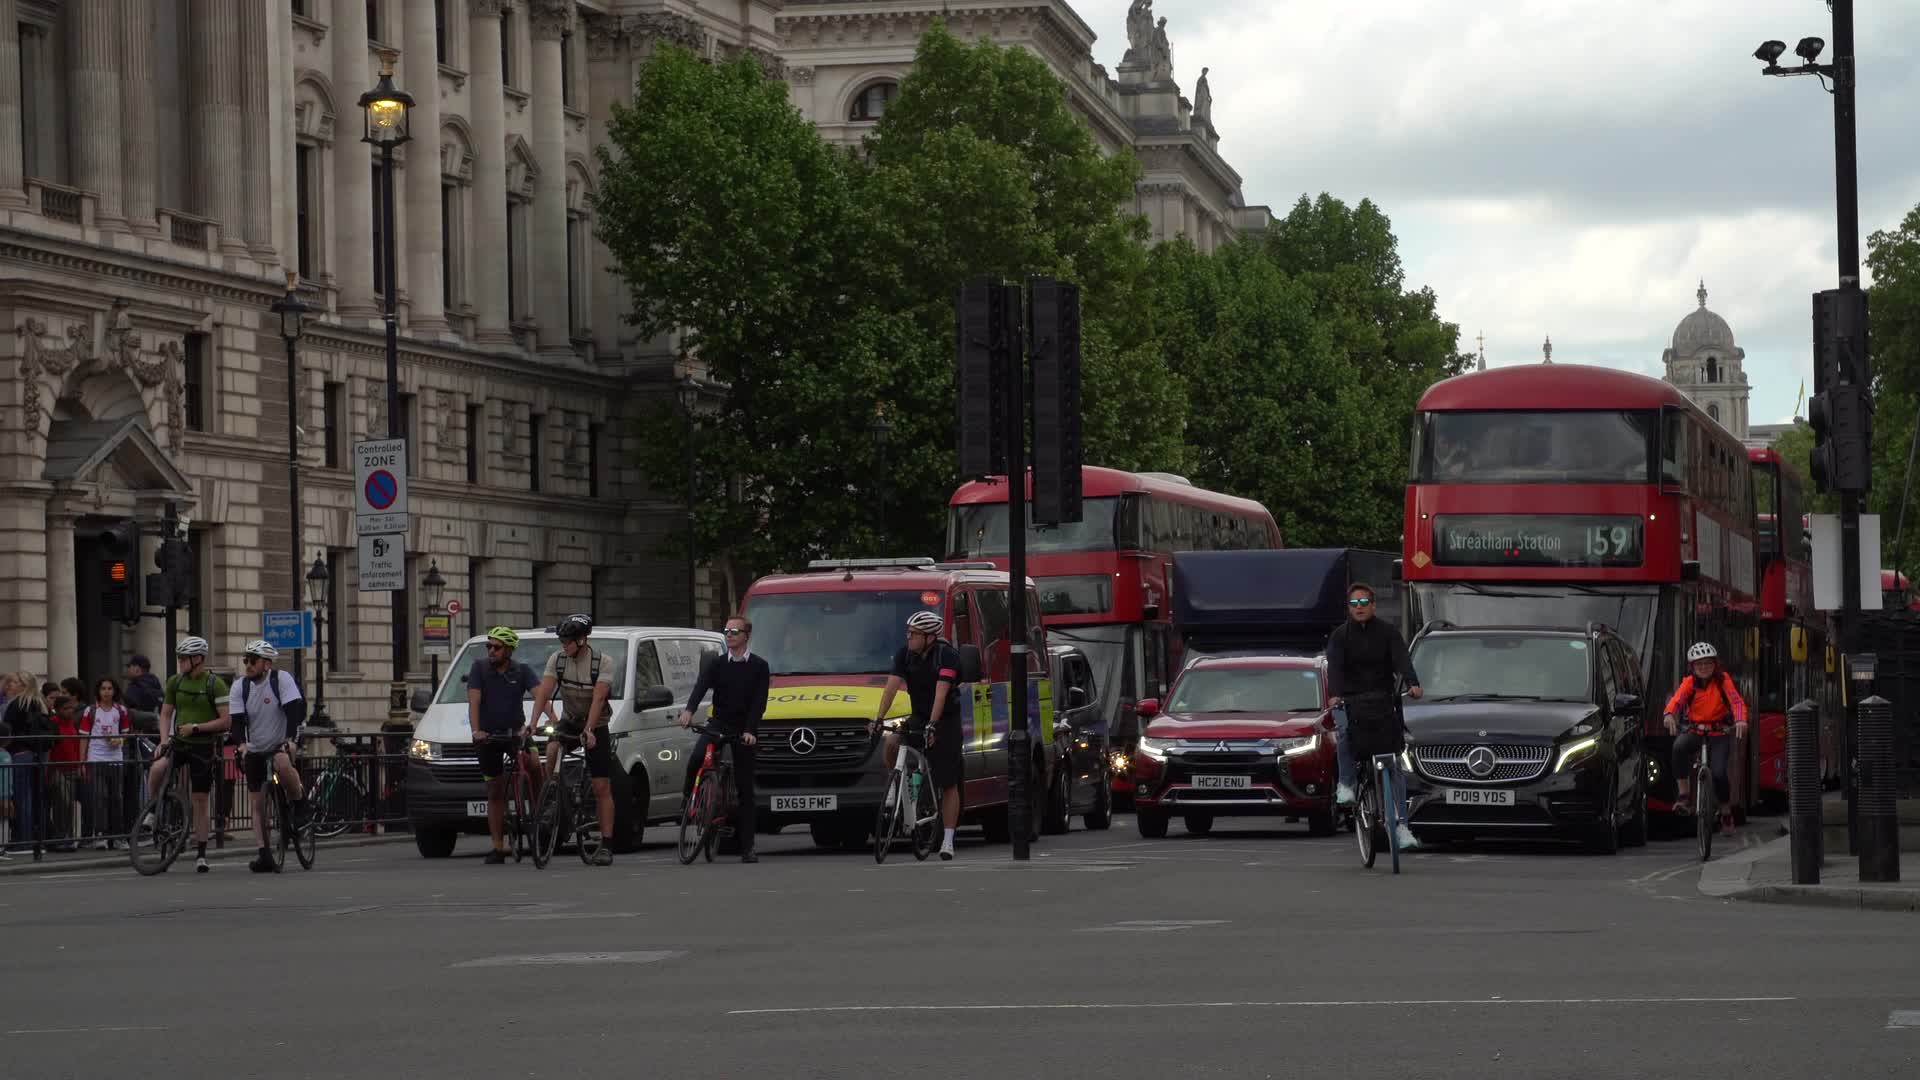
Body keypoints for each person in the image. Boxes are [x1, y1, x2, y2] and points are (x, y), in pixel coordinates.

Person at [1326, 582, 1423, 851]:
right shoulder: (1339, 637)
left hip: (1383, 701)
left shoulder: (1388, 633)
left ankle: (1401, 825)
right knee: (1344, 733)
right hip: (1351, 700)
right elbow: (1334, 668)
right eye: (1354, 604)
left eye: (1364, 603)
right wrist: (1335, 694)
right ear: (1348, 609)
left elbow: (1401, 659)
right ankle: (1346, 783)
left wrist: (1412, 683)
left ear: (1373, 605)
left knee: (1394, 763)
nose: (1359, 608)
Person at [868, 610, 964, 861]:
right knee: (891, 740)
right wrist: (879, 718)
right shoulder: (905, 655)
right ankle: (895, 785)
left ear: (930, 637)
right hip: (919, 715)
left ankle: (948, 840)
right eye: (908, 633)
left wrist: (933, 725)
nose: (908, 638)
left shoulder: (947, 656)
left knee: (948, 782)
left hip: (946, 719)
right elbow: (890, 688)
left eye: (914, 634)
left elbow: (941, 693)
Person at [678, 615, 769, 863]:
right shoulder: (717, 664)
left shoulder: (759, 666)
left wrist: (750, 731)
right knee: (697, 756)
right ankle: (689, 798)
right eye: (726, 630)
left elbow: (758, 703)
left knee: (745, 787)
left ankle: (748, 846)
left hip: (744, 728)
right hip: (719, 723)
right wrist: (688, 710)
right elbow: (701, 686)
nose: (729, 635)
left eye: (735, 631)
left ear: (746, 636)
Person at [530, 614, 618, 865]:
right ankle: (554, 791)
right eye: (562, 641)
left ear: (582, 640)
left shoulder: (602, 662)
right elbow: (543, 693)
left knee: (602, 786)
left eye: (568, 642)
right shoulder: (557, 660)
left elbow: (599, 699)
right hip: (570, 718)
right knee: (554, 744)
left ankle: (606, 843)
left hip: (596, 723)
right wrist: (533, 722)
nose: (564, 646)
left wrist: (589, 730)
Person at [142, 638, 230, 873]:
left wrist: (197, 728)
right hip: (179, 742)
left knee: (200, 801)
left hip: (202, 746)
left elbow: (225, 720)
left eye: (183, 658)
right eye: (179, 658)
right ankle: (153, 810)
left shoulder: (215, 684)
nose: (179, 662)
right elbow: (165, 714)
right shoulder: (175, 681)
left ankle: (201, 853)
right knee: (158, 768)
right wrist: (163, 740)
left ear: (198, 659)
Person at [230, 641, 310, 872]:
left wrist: (290, 741)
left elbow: (294, 712)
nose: (248, 665)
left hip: (280, 740)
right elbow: (236, 723)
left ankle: (299, 803)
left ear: (266, 663)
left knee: (282, 762)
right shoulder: (240, 687)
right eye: (246, 660)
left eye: (252, 660)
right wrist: (242, 745)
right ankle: (264, 853)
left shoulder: (280, 679)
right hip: (255, 746)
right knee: (257, 802)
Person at [468, 626, 542, 865]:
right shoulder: (479, 668)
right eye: (488, 646)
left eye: (496, 647)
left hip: (515, 733)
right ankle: (498, 847)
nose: (491, 650)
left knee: (533, 762)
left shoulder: (522, 671)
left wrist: (540, 721)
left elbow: (540, 695)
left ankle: (542, 808)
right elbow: (474, 701)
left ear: (508, 650)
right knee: (495, 790)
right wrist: (476, 730)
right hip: (488, 737)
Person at [1663, 641, 1748, 836]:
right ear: (1692, 667)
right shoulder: (1689, 683)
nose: (1704, 668)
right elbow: (1677, 700)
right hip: (1696, 730)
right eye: (1699, 664)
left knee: (1718, 774)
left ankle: (1725, 811)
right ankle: (1684, 796)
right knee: (1678, 748)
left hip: (1719, 733)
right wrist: (1669, 714)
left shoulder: (1723, 680)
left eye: (1708, 664)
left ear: (1715, 665)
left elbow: (1736, 702)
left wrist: (1741, 720)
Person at [82, 678, 129, 850]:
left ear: (115, 691)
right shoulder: (91, 710)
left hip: (115, 758)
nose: (107, 692)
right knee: (99, 796)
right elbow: (83, 737)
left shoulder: (121, 710)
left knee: (116, 797)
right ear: (98, 691)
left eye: (110, 688)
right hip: (96, 757)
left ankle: (117, 836)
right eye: (103, 688)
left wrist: (119, 741)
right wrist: (82, 760)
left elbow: (125, 733)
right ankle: (100, 835)